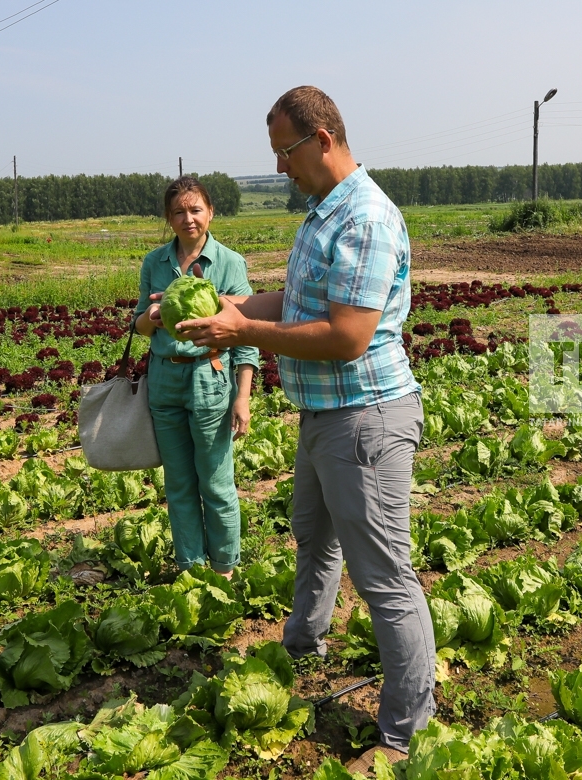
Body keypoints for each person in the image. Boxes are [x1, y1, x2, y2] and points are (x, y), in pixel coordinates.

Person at [174, 87, 434, 769]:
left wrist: (245, 331)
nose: (281, 168)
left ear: (321, 140)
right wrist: (227, 307)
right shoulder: (323, 214)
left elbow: (347, 336)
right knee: (314, 536)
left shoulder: (367, 217)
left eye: (285, 153)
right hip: (325, 417)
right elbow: (296, 302)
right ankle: (302, 645)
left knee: (385, 579)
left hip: (365, 419)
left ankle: (406, 733)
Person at [133, 176, 258, 577]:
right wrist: (151, 319)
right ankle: (190, 567)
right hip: (165, 381)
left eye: (195, 210)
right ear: (168, 218)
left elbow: (246, 334)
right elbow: (138, 323)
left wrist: (243, 396)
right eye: (179, 212)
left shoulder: (229, 262)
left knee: (216, 481)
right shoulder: (155, 262)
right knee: (179, 484)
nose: (188, 219)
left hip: (210, 376)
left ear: (210, 213)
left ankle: (224, 568)